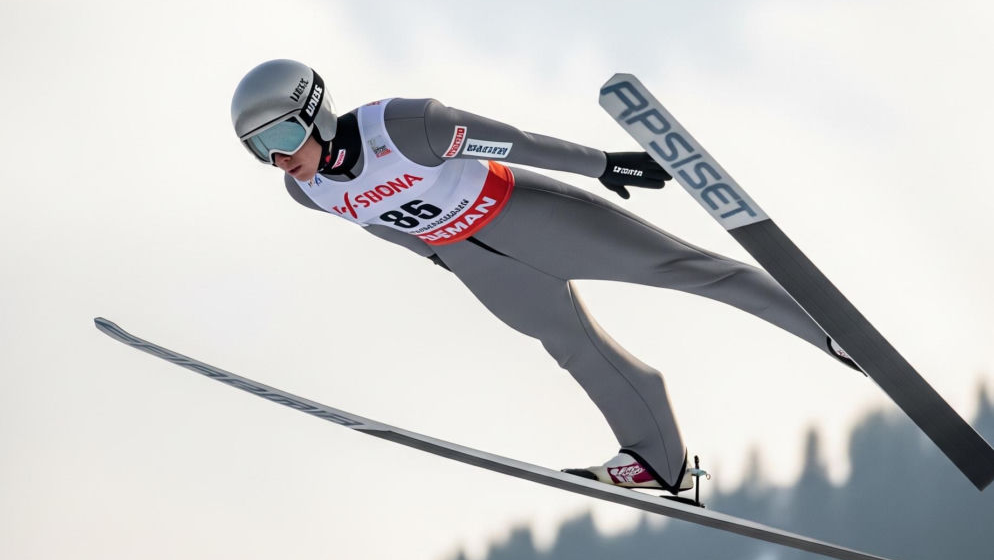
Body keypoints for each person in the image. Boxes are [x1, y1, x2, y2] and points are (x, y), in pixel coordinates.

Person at [231, 58, 857, 494]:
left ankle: (831, 330)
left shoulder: (405, 127)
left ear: (314, 112)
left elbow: (517, 143)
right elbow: (380, 223)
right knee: (572, 346)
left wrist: (603, 163)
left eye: (282, 134)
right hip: (477, 262)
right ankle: (658, 461)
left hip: (532, 217)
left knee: (686, 269)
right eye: (260, 149)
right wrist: (442, 258)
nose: (280, 157)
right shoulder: (306, 192)